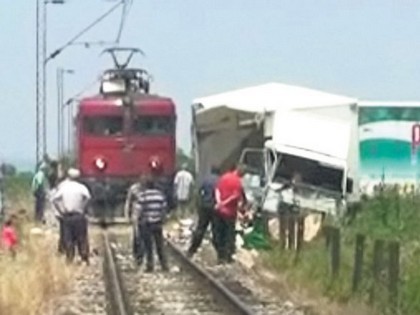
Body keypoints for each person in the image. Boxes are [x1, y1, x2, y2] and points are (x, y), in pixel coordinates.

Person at [51, 168, 91, 264]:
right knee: (82, 237)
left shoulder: (64, 187)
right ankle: (84, 257)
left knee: (68, 238)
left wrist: (60, 210)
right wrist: (83, 207)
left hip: (67, 216)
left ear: (68, 176)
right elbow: (88, 197)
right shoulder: (81, 187)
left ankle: (69, 258)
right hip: (79, 215)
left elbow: (55, 199)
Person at [133, 175, 168, 272]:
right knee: (159, 245)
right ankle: (164, 265)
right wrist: (162, 219)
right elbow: (164, 209)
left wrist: (137, 222)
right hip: (157, 223)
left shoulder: (142, 196)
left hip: (146, 224)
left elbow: (138, 211)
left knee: (148, 246)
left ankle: (150, 265)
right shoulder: (160, 195)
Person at [213, 164, 247, 264]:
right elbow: (235, 196)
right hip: (229, 213)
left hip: (219, 211)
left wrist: (219, 202)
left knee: (219, 233)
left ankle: (220, 256)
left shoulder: (224, 177)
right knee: (229, 235)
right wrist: (224, 203)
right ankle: (227, 257)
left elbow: (217, 190)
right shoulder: (238, 182)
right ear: (242, 173)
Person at [187, 166, 220, 258]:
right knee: (216, 230)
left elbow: (199, 191)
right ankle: (220, 254)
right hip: (215, 207)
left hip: (204, 206)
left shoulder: (206, 180)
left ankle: (192, 250)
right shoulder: (220, 181)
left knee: (200, 228)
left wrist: (199, 203)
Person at [124, 175, 144, 265]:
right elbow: (129, 201)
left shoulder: (148, 189)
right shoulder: (134, 189)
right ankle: (138, 255)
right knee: (138, 235)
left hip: (145, 215)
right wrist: (127, 214)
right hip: (137, 215)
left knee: (142, 236)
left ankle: (141, 255)